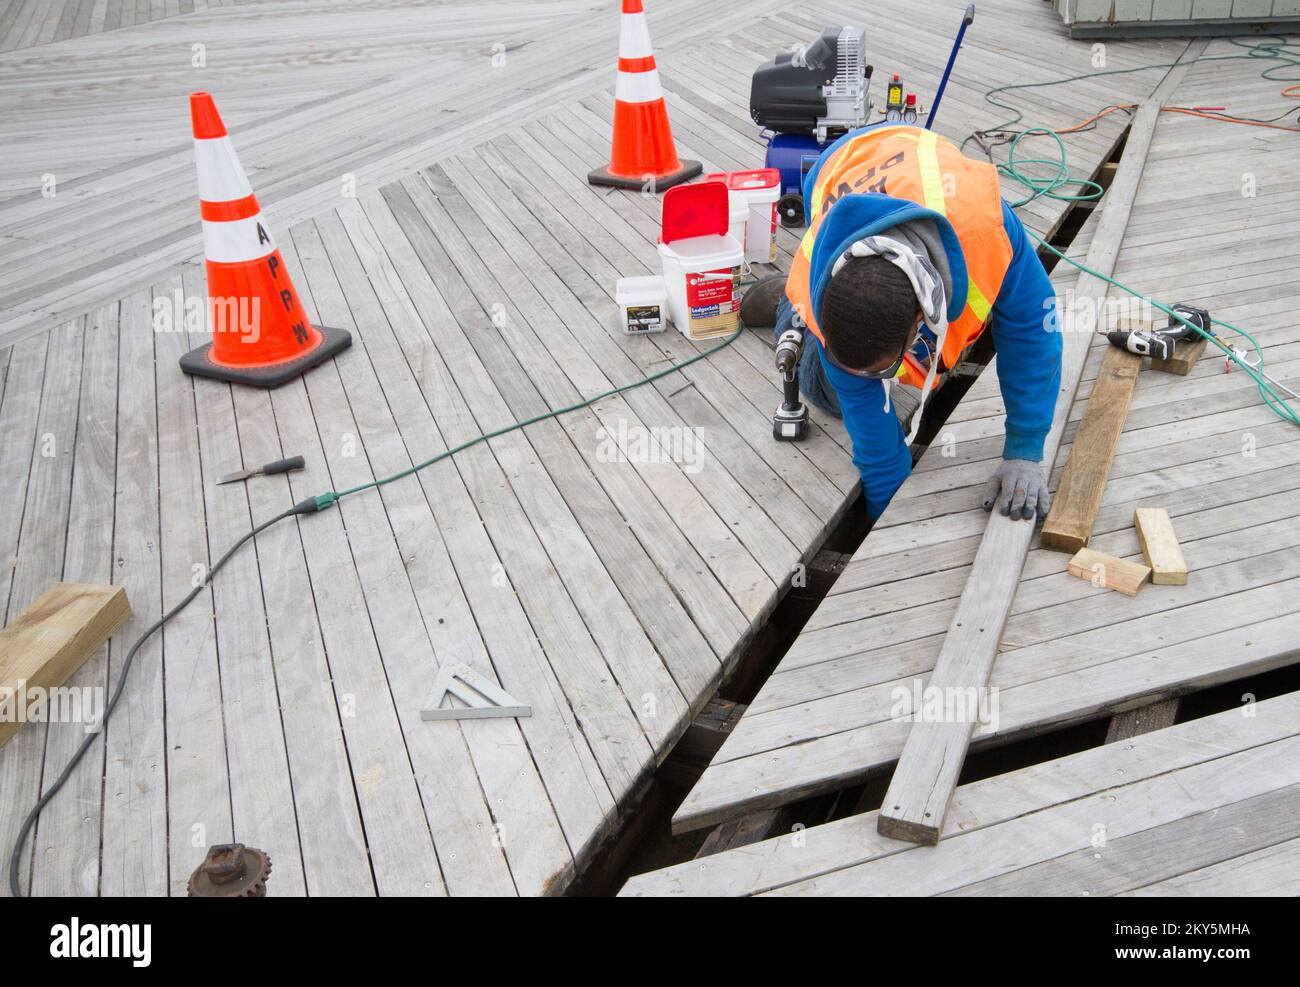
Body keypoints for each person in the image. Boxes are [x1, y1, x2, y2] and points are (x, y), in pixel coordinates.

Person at [741, 123, 1062, 523]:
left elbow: (1033, 327)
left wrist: (1025, 450)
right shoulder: (822, 282)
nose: (869, 377)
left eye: (885, 367)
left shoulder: (988, 232)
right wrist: (889, 522)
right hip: (836, 165)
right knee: (832, 394)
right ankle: (791, 308)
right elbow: (874, 445)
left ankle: (790, 304)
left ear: (918, 321)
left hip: (912, 153)